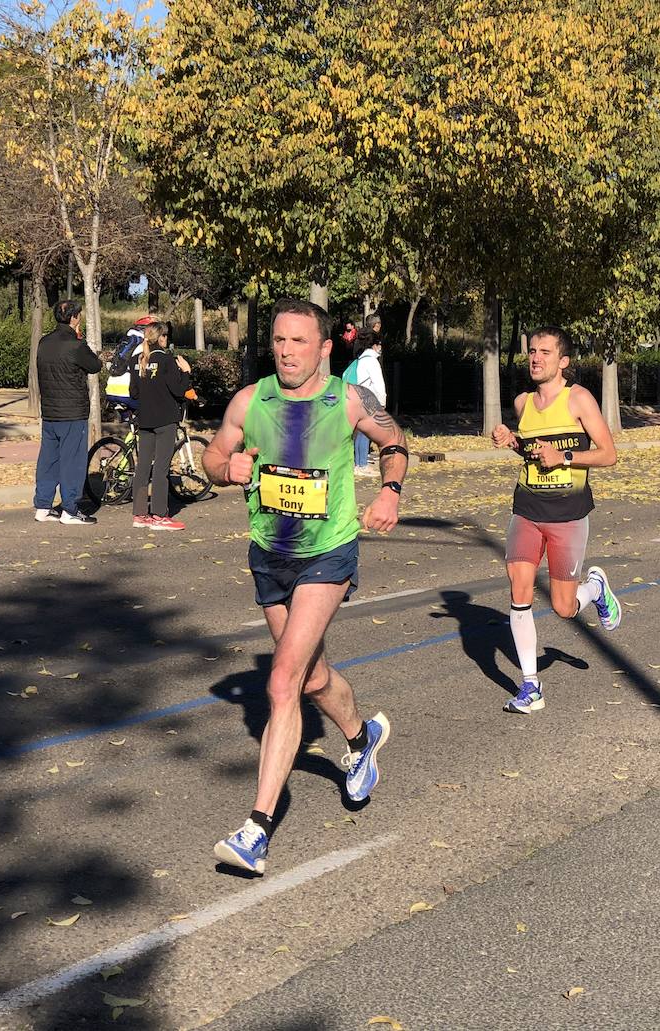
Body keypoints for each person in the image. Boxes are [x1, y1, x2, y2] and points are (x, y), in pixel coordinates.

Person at [202, 298, 409, 875]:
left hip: (328, 553)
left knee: (283, 679)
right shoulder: (251, 400)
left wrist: (390, 490)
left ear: (324, 348)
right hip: (270, 556)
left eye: (300, 341)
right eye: (280, 341)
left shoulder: (346, 399)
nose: (288, 351)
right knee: (313, 677)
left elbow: (394, 441)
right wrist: (227, 469)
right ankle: (361, 736)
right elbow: (213, 456)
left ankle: (256, 830)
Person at [491, 326, 621, 713]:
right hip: (527, 511)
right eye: (532, 351)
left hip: (568, 515)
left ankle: (595, 589)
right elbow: (534, 454)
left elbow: (608, 453)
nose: (535, 358)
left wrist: (564, 457)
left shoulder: (578, 399)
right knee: (519, 588)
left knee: (564, 607)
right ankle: (531, 686)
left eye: (545, 352)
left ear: (563, 361)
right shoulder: (522, 403)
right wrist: (513, 442)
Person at [33, 299, 101, 525]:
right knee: (72, 461)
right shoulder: (75, 345)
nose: (79, 318)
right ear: (73, 318)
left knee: (49, 460)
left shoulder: (44, 342)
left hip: (50, 411)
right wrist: (80, 338)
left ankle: (43, 506)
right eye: (78, 315)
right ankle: (70, 510)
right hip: (72, 412)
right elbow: (95, 366)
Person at [129, 321, 193, 531]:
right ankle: (159, 515)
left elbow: (134, 393)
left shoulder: (138, 361)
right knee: (161, 468)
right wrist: (186, 372)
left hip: (145, 420)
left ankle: (139, 514)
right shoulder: (166, 360)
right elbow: (178, 390)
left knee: (143, 466)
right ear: (162, 338)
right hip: (165, 420)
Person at [348, 335, 386, 473]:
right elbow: (378, 383)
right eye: (379, 344)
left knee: (359, 432)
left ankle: (358, 464)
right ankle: (363, 465)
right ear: (374, 345)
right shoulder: (372, 361)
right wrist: (382, 401)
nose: (381, 347)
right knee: (366, 432)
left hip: (356, 398)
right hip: (368, 400)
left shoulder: (360, 360)